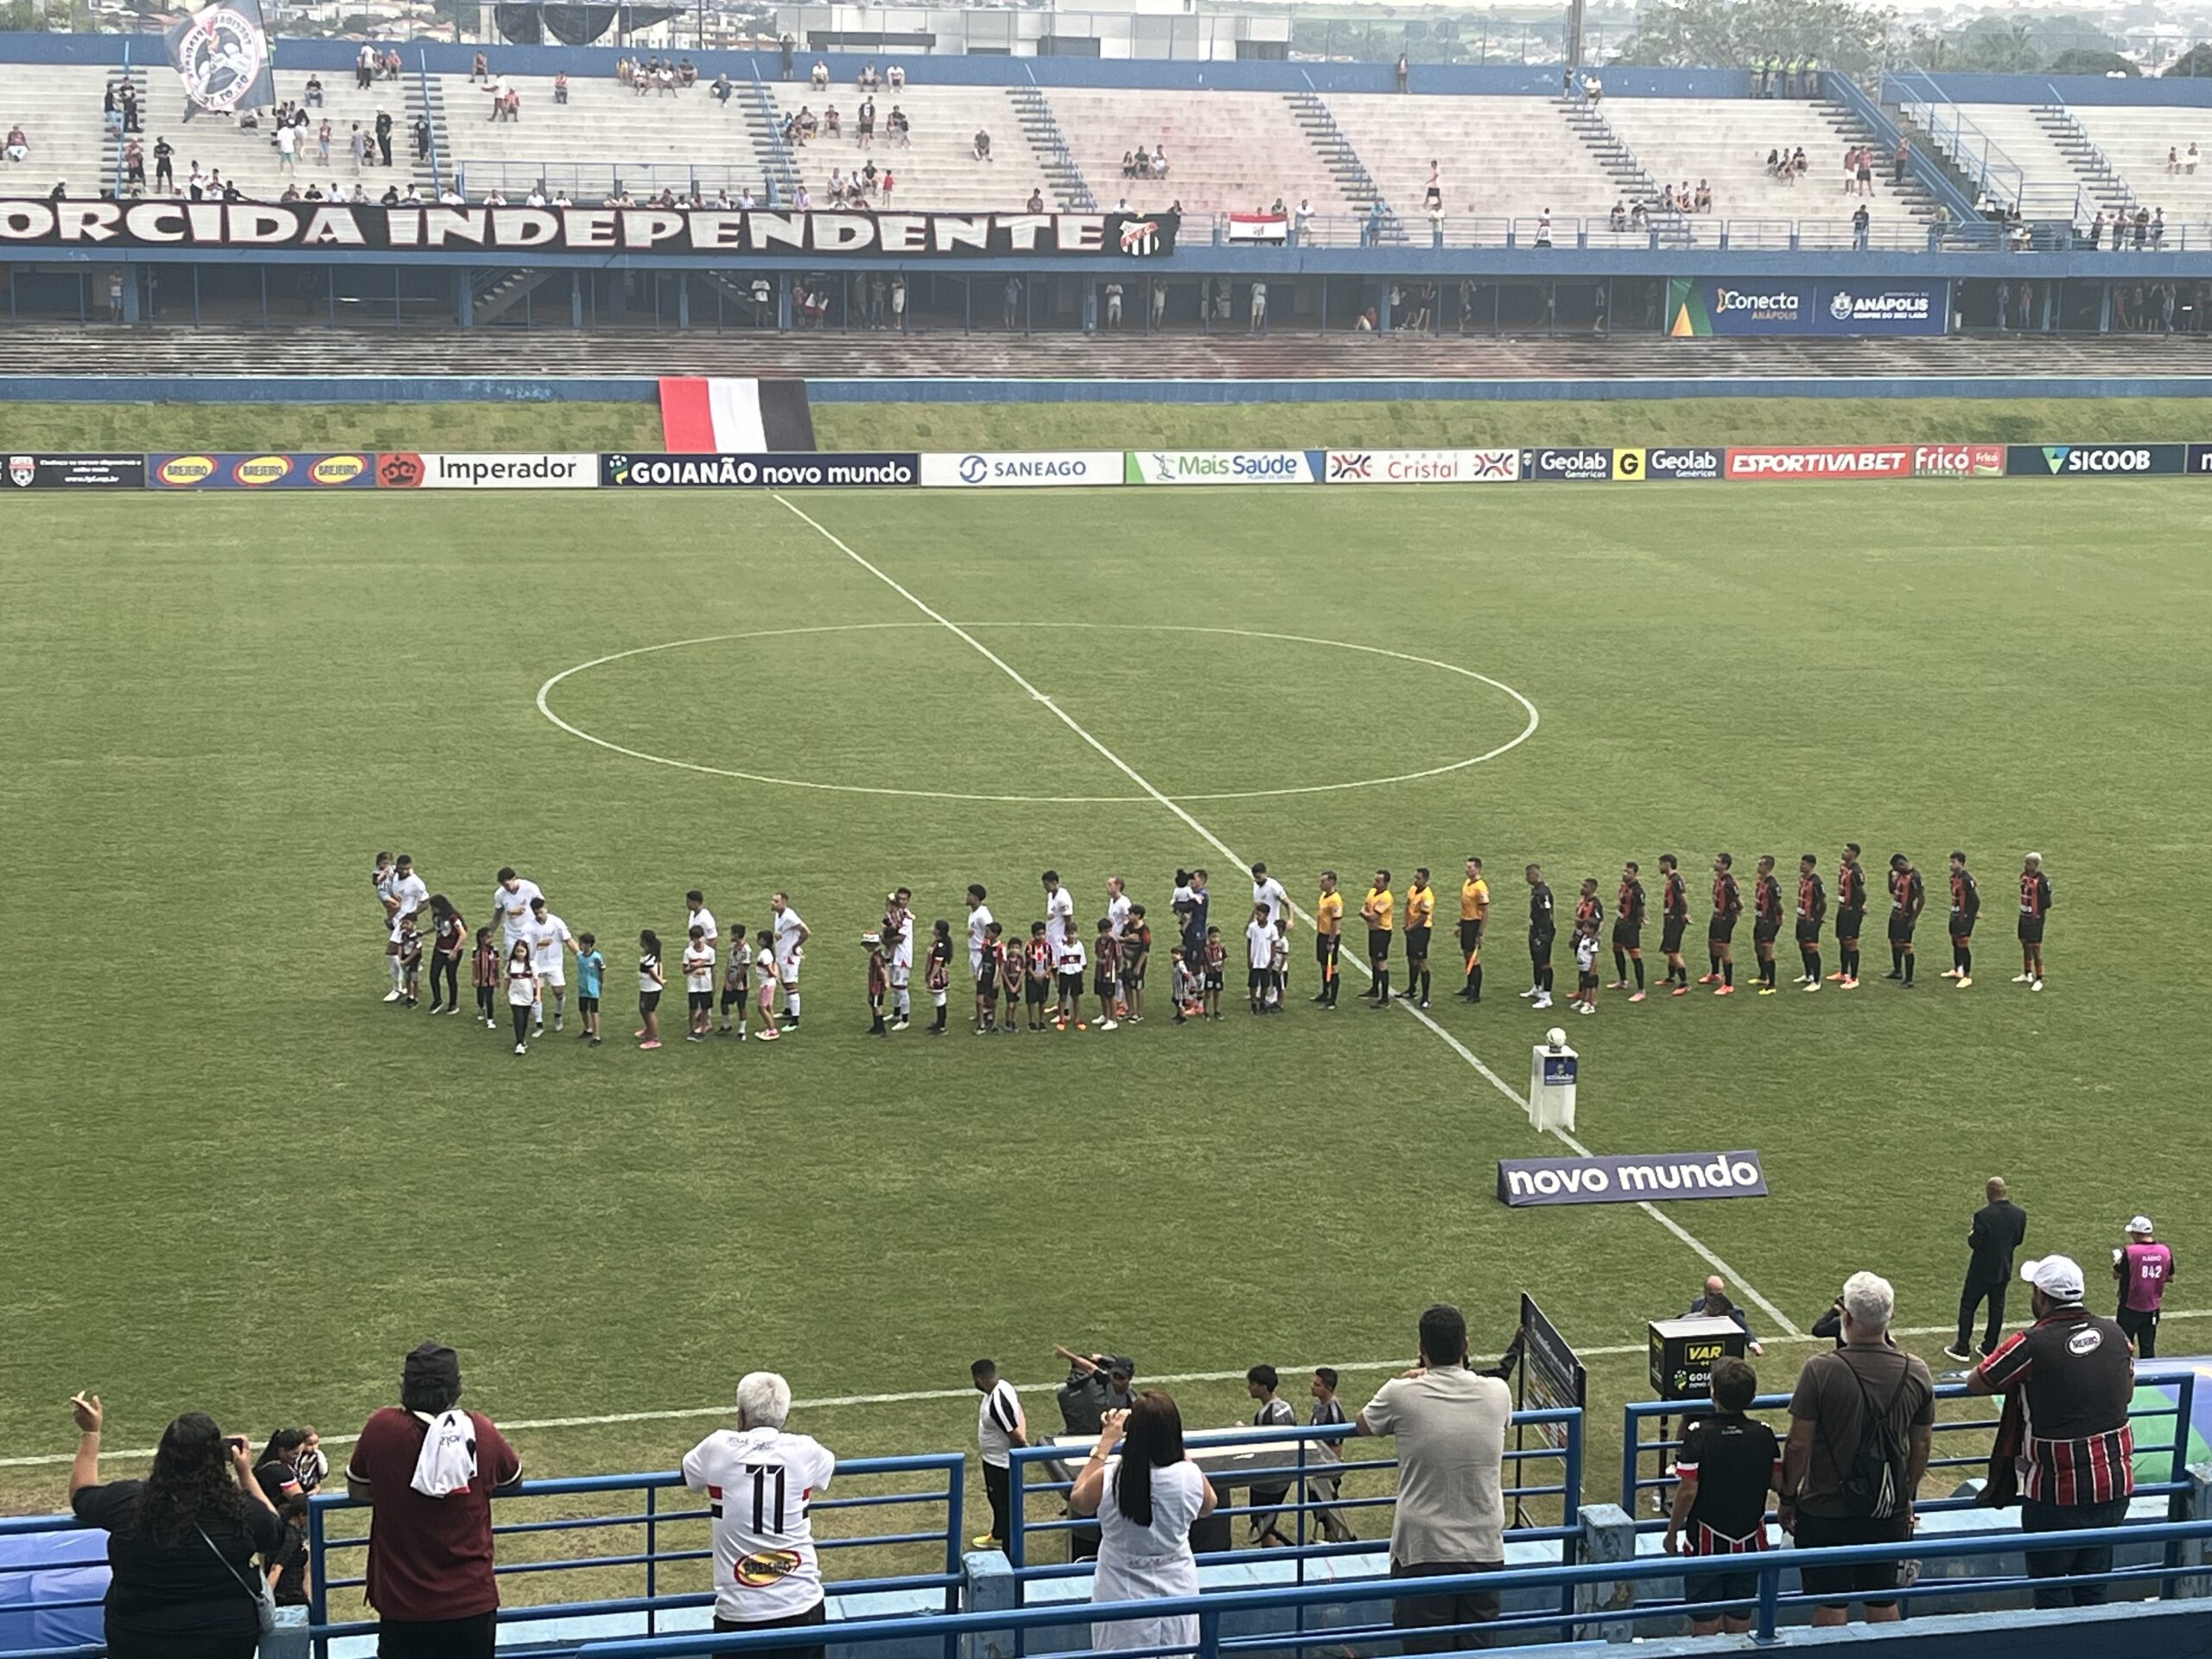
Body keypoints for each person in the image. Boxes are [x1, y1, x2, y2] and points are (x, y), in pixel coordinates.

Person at [1967, 1256, 2135, 1607]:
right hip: (2114, 1483)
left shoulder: (2030, 1342)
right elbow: (2128, 1390)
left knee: (2051, 1590)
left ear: (2041, 1296)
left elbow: (1979, 1380)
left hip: (2055, 1491)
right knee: (2093, 1586)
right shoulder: (2116, 1333)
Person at [67, 1394, 288, 1659]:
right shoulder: (240, 1511)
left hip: (139, 1638)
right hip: (225, 1639)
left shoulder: (128, 1501)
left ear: (164, 1456)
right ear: (218, 1458)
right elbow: (274, 1528)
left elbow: (81, 1494)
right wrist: (245, 1473)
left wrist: (91, 1433)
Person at [345, 1342, 522, 1659]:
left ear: (404, 1386)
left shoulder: (381, 1429)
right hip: (472, 1603)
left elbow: (358, 1489)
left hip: (404, 1607)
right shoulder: (479, 1430)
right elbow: (513, 1478)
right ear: (458, 1387)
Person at [1778, 1273, 1934, 1629]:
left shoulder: (1820, 1370)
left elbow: (1798, 1444)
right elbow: (1921, 1444)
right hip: (1887, 1507)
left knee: (1830, 1607)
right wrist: (1906, 1496)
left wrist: (1788, 1497)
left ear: (1846, 1318)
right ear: (1889, 1317)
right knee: (1883, 1603)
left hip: (1825, 1509)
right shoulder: (1916, 1370)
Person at [1354, 1304, 1510, 1652]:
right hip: (1483, 1548)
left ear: (1422, 1350)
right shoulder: (1499, 1392)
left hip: (1423, 1551)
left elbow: (1362, 1424)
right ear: (1466, 1346)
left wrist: (1408, 1379)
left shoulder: (1399, 1394)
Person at [683, 1373, 836, 1659]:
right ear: (785, 1417)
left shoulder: (716, 1446)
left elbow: (689, 1475)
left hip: (740, 1614)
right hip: (802, 1606)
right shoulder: (806, 1449)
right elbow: (827, 1471)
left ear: (740, 1416)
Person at [1071, 1392, 1216, 1659]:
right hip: (1177, 1584)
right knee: (1179, 1652)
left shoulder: (1111, 1476)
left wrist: (1104, 1444)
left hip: (1119, 1587)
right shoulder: (1190, 1475)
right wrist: (1176, 1446)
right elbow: (1209, 1505)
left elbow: (1079, 1501)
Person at [1663, 1357, 1782, 1637]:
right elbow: (1779, 1482)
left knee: (1705, 1620)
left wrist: (1671, 1532)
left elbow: (1688, 1490)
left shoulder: (1699, 1435)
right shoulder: (1764, 1434)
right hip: (1750, 1538)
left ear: (1713, 1391)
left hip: (1707, 1542)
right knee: (1740, 1616)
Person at [1946, 1177, 2028, 1363]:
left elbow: (1975, 1243)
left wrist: (1972, 1233)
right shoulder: (2019, 1214)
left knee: (1968, 1306)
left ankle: (1962, 1347)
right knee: (1996, 1308)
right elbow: (2018, 1240)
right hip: (2003, 1268)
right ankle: (1989, 1347)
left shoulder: (1983, 1216)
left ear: (1990, 1192)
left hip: (1981, 1271)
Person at [971, 1360, 1026, 1549]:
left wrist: (1024, 1445)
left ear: (979, 1379)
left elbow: (1014, 1433)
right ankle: (998, 1533)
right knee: (996, 1501)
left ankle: (1009, 1550)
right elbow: (1019, 1411)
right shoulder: (1004, 1387)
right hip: (994, 1460)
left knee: (1004, 1505)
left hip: (1000, 1464)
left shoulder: (996, 1404)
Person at [1244, 1365, 1298, 1547]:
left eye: (1252, 1384)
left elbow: (1262, 1449)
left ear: (1263, 1388)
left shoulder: (1264, 1415)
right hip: (1286, 1474)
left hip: (1268, 1480)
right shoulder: (1286, 1407)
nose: (1249, 1387)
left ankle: (1271, 1557)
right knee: (1270, 1519)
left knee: (1262, 1522)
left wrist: (1244, 1433)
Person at [1306, 1369, 1357, 1541]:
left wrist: (1331, 1477)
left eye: (1317, 1384)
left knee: (1328, 1512)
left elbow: (1337, 1448)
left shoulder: (1333, 1413)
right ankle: (1328, 1538)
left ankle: (1333, 1540)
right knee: (1317, 1510)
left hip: (1324, 1472)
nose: (1312, 1386)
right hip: (1315, 1468)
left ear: (1328, 1388)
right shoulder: (1319, 1406)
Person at [2113, 1217, 2175, 1357]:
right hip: (2152, 1308)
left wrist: (2117, 1261)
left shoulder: (2130, 1252)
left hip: (2129, 1307)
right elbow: (2170, 1277)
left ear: (2136, 1233)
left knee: (2124, 1348)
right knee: (2148, 1348)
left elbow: (2116, 1274)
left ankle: (2126, 1378)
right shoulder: (2164, 1251)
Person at [525, 895, 572, 1034]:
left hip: (554, 964)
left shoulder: (557, 923)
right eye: (536, 913)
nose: (539, 915)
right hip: (536, 965)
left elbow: (568, 940)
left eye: (541, 912)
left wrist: (580, 956)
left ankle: (558, 1016)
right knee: (536, 994)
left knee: (559, 992)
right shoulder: (529, 926)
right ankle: (539, 1024)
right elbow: (524, 945)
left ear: (546, 909)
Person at [1702, 853, 1741, 995]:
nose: (1715, 863)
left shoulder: (1729, 882)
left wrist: (1735, 912)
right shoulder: (1718, 880)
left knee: (1723, 948)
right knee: (1712, 943)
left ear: (1725, 865)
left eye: (1718, 862)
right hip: (1717, 916)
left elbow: (1738, 900)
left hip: (1726, 919)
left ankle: (1729, 984)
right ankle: (1714, 974)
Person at [1830, 843, 1868, 988]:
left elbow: (1861, 892)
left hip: (1852, 911)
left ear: (1854, 853)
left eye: (1846, 851)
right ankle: (1843, 972)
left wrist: (1859, 906)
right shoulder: (1844, 868)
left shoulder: (1856, 871)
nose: (1843, 852)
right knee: (1842, 940)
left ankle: (1854, 977)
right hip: (1843, 909)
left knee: (1851, 943)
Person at [2014, 852, 2053, 991]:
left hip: (2035, 919)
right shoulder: (2024, 876)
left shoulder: (2042, 881)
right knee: (2025, 944)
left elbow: (2047, 902)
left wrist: (2036, 912)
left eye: (2028, 863)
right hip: (2023, 916)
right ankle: (2027, 973)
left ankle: (2039, 979)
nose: (2025, 866)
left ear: (2035, 865)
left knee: (2035, 948)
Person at [1608, 861, 1646, 1000]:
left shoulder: (1638, 890)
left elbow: (1641, 908)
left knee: (1635, 956)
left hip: (1630, 926)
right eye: (1624, 871)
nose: (1625, 874)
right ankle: (1623, 980)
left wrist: (1641, 919)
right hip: (1620, 923)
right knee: (1617, 949)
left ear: (1635, 874)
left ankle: (1641, 990)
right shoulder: (1624, 886)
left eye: (1628, 872)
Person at [771, 893, 810, 1029]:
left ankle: (795, 1020)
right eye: (773, 901)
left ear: (784, 903)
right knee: (784, 983)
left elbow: (806, 932)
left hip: (789, 957)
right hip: (781, 954)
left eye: (776, 901)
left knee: (790, 985)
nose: (773, 903)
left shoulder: (790, 916)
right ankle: (788, 1011)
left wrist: (795, 946)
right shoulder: (778, 915)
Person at [1885, 853, 1924, 986]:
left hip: (1906, 916)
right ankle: (1897, 971)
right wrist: (1890, 876)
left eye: (1896, 867)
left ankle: (1909, 979)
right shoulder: (1898, 875)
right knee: (1893, 942)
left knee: (1906, 947)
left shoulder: (1915, 877)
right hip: (1895, 914)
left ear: (1902, 864)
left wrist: (1914, 919)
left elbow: (1921, 899)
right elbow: (1892, 891)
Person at [1942, 850, 1980, 988]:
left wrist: (1971, 914)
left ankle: (1967, 976)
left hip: (1965, 916)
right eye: (1950, 862)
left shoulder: (1967, 879)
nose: (1951, 865)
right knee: (1954, 941)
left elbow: (1975, 899)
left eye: (1954, 862)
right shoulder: (1953, 878)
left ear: (1962, 863)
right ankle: (1958, 969)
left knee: (1963, 944)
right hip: (1955, 914)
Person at [1522, 864, 1554, 1011]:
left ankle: (1547, 996)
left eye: (1528, 875)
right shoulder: (1536, 890)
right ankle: (1537, 987)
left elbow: (1547, 915)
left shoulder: (1542, 893)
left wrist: (1544, 935)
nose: (1526, 878)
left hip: (1543, 933)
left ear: (1534, 875)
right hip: (1535, 931)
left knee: (1544, 963)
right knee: (1536, 960)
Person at [1458, 857, 1490, 1001]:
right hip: (1466, 922)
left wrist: (1480, 932)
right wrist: (1460, 923)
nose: (1467, 870)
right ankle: (1469, 985)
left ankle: (1475, 993)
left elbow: (1485, 911)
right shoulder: (1467, 883)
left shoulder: (1480, 887)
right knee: (1466, 954)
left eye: (1470, 867)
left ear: (1478, 869)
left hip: (1474, 923)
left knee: (1474, 957)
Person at [1361, 869, 1395, 1006]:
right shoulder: (1372, 892)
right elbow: (1365, 908)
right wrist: (1367, 915)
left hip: (1382, 932)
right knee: (1374, 959)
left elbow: (1373, 916)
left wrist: (1366, 915)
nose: (1375, 883)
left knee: (1381, 962)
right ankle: (1375, 989)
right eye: (1375, 880)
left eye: (1378, 881)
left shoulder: (1386, 897)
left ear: (1386, 883)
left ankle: (1385, 997)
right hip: (1373, 931)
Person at [1794, 854, 1827, 991]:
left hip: (1811, 920)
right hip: (1801, 918)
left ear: (1811, 865)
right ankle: (1808, 975)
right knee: (1802, 946)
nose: (1801, 866)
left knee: (1811, 949)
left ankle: (1817, 980)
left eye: (1804, 864)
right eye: (1801, 863)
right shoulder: (1803, 879)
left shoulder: (1817, 882)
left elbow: (1823, 901)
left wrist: (1818, 917)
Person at [1403, 868, 1435, 1007]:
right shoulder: (1412, 889)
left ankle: (1426, 996)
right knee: (1411, 959)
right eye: (1415, 878)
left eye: (1418, 878)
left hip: (1421, 930)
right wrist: (1405, 924)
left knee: (1422, 961)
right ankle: (1411, 988)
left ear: (1426, 880)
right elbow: (1407, 906)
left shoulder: (1427, 896)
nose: (1415, 881)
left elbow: (1423, 917)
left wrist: (1410, 928)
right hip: (1411, 928)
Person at [1313, 870, 1344, 1008]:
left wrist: (1331, 941)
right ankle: (1325, 992)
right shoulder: (1324, 896)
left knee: (1333, 966)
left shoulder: (1335, 900)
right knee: (1323, 964)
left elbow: (1336, 922)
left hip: (1330, 936)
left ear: (1331, 882)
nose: (1321, 883)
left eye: (1323, 881)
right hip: (1322, 934)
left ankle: (1333, 1000)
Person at [501, 940, 536, 1053]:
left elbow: (536, 981)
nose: (520, 954)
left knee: (524, 1018)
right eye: (518, 951)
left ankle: (522, 1038)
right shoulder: (511, 964)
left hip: (527, 995)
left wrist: (538, 994)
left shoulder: (531, 965)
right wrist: (504, 993)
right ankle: (519, 1043)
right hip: (515, 996)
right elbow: (507, 979)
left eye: (522, 951)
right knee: (518, 1018)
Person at [683, 924, 715, 1041]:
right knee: (692, 1008)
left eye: (699, 937)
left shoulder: (710, 952)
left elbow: (712, 970)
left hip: (706, 985)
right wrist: (694, 966)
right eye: (694, 938)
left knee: (705, 1008)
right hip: (693, 985)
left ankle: (703, 1029)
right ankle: (691, 1030)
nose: (697, 941)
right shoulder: (688, 952)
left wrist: (714, 986)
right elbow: (684, 970)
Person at [572, 931, 604, 1046]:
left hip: (593, 988)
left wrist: (601, 984)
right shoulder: (580, 956)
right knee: (583, 1010)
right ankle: (588, 1029)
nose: (580, 945)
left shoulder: (596, 957)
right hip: (582, 987)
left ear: (589, 944)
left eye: (582, 943)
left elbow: (601, 971)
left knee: (594, 1011)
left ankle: (597, 1036)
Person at [637, 929, 665, 1050]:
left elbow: (652, 971)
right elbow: (660, 965)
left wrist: (660, 980)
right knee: (643, 1009)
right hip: (646, 988)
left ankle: (654, 1038)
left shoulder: (649, 958)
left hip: (651, 989)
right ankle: (649, 1030)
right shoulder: (651, 955)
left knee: (649, 1011)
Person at [470, 928, 498, 1028]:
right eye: (488, 937)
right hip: (480, 979)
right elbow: (474, 966)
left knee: (489, 999)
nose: (491, 939)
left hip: (490, 979)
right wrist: (474, 978)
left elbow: (496, 965)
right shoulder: (476, 951)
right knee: (480, 998)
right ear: (481, 938)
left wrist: (497, 978)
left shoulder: (494, 950)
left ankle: (490, 1020)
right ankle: (481, 1008)